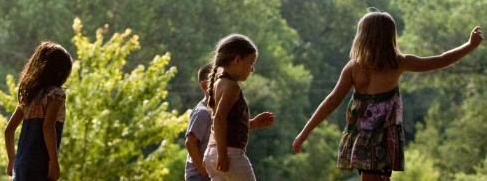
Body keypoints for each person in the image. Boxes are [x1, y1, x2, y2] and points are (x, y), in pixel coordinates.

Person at [293, 11, 483, 181]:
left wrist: (305, 132)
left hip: (361, 137)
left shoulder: (354, 67)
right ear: (390, 37)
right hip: (383, 138)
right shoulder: (398, 63)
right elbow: (441, 60)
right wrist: (470, 45)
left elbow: (331, 101)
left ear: (362, 37)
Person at [201, 34, 275, 181]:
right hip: (229, 154)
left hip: (210, 154)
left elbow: (228, 123)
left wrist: (253, 123)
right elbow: (219, 119)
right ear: (237, 60)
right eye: (251, 63)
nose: (252, 69)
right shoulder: (232, 87)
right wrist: (223, 155)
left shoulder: (219, 83)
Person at [4, 41, 72, 181]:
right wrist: (53, 161)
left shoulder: (30, 97)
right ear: (60, 74)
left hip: (21, 165)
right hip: (41, 164)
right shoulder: (56, 95)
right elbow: (48, 127)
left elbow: (9, 130)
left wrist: (12, 159)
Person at [184, 63, 214, 181]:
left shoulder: (219, 112)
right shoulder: (203, 112)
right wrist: (203, 171)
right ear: (204, 86)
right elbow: (190, 143)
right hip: (199, 176)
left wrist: (254, 123)